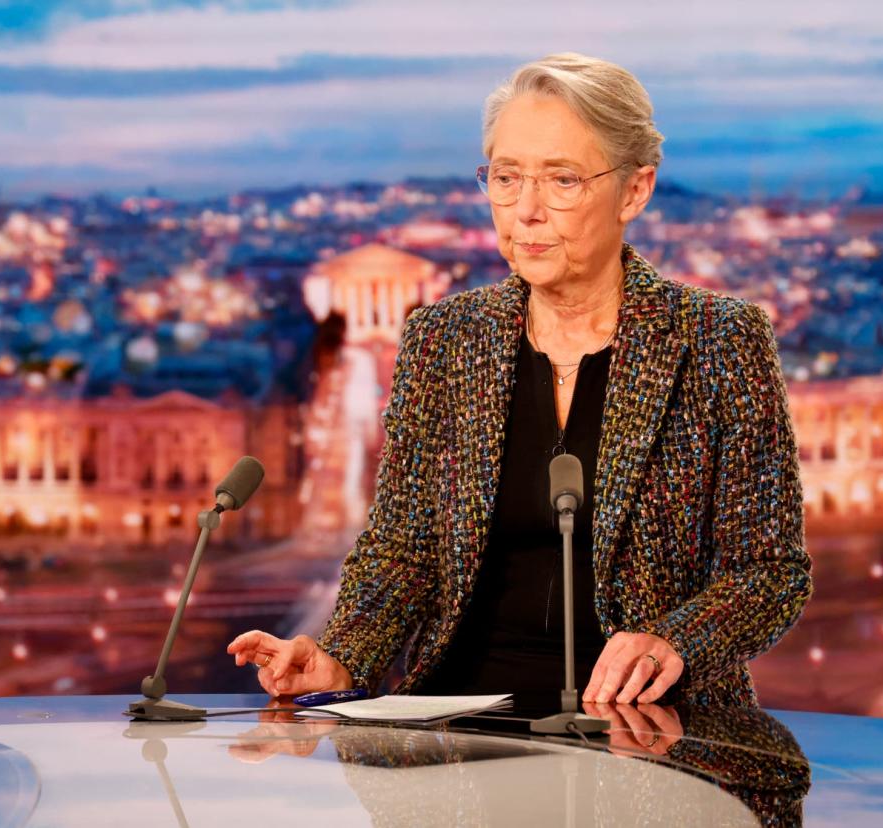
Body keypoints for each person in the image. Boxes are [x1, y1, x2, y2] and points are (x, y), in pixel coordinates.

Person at [229, 52, 812, 706]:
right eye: (506, 177)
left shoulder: (718, 340)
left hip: (652, 730)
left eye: (562, 180)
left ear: (636, 190)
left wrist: (674, 641)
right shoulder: (443, 339)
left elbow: (769, 575)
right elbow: (403, 552)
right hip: (461, 724)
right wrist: (339, 653)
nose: (525, 211)